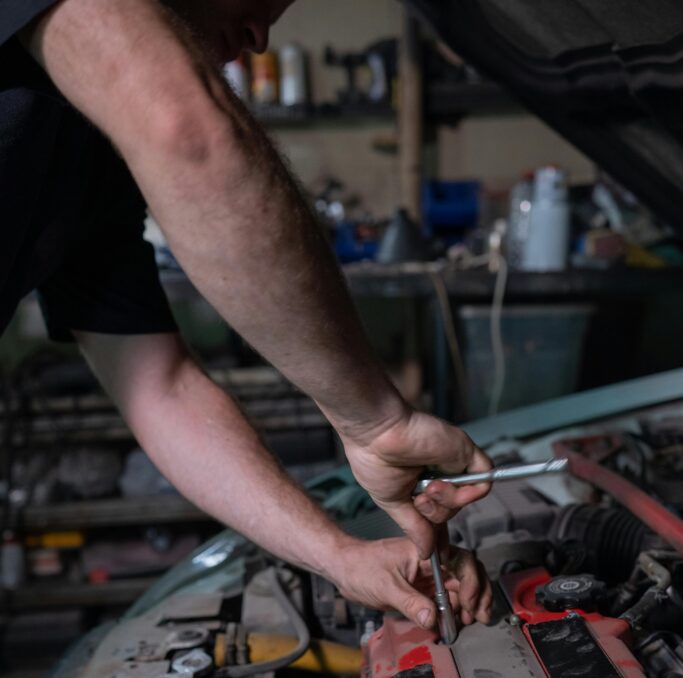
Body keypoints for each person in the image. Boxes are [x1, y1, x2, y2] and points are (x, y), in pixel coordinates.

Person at [0, 0, 493, 629]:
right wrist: (374, 421)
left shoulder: (87, 149)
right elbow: (187, 131)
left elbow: (161, 388)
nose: (260, 36)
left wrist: (340, 556)